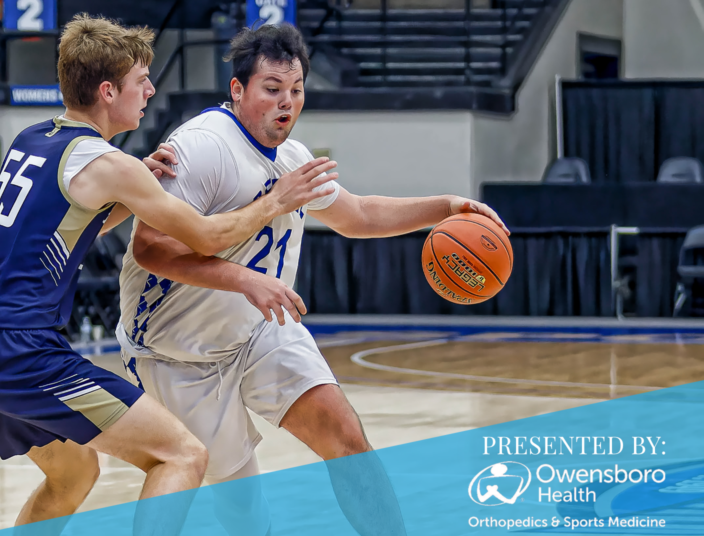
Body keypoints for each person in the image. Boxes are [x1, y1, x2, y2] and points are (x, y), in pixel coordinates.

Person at [0, 14, 336, 534]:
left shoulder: (34, 137)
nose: (151, 89)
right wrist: (274, 201)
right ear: (108, 91)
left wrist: (132, 195)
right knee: (180, 456)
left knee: (74, 473)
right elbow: (204, 237)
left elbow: (66, 223)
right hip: (20, 351)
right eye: (141, 80)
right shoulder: (110, 164)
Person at [123, 24, 509, 536]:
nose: (287, 103)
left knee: (346, 437)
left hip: (260, 328)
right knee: (244, 510)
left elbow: (359, 216)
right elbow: (150, 248)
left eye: (296, 89)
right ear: (238, 90)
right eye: (272, 89)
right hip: (178, 353)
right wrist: (245, 280)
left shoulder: (294, 157)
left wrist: (445, 207)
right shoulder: (201, 147)